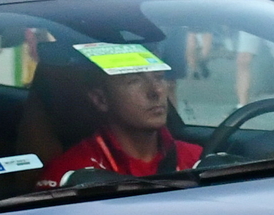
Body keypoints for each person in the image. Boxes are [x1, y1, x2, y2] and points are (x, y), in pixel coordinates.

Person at [35, 53, 203, 186]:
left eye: (158, 77)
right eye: (133, 80)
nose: (156, 91)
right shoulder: (70, 175)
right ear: (101, 99)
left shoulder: (196, 159)